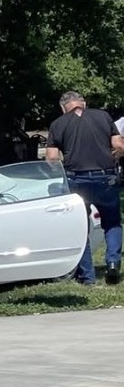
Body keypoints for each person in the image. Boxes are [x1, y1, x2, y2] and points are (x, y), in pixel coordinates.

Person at [46, 91, 124, 285]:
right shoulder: (103, 116)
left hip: (76, 179)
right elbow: (118, 144)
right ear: (83, 103)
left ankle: (87, 277)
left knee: (81, 227)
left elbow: (52, 158)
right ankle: (113, 263)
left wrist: (59, 170)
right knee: (112, 222)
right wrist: (114, 157)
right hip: (105, 176)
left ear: (64, 107)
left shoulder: (58, 124)